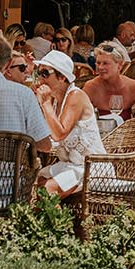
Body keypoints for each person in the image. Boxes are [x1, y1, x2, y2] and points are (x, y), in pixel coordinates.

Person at [34, 50, 104, 195]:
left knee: (47, 190)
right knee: (34, 183)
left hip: (90, 167)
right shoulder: (53, 100)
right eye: (38, 73)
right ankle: (57, 217)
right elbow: (45, 135)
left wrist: (45, 104)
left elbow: (60, 134)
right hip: (68, 165)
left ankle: (59, 218)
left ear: (61, 77)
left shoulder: (75, 96)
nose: (40, 78)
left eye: (45, 73)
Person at [82, 41, 135, 119]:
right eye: (98, 63)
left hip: (126, 130)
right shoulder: (91, 87)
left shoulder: (132, 86)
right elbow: (78, 116)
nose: (100, 67)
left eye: (105, 63)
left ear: (119, 65)